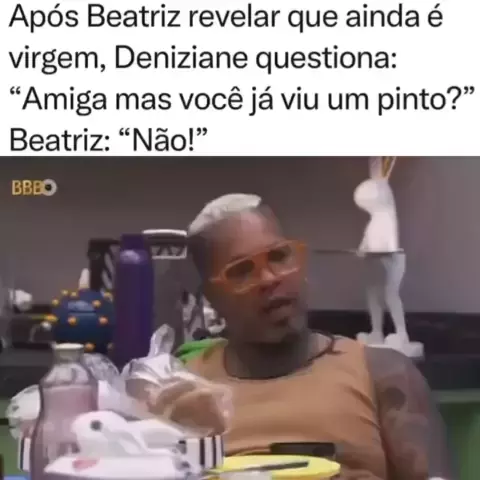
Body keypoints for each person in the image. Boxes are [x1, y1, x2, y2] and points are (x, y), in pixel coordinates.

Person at [185, 193, 454, 480]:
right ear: (212, 297)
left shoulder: (381, 373)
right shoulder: (182, 390)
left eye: (278, 256)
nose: (269, 279)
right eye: (241, 271)